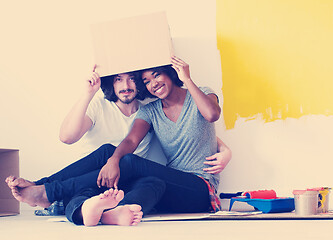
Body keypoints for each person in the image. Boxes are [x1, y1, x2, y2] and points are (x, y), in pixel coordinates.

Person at [5, 63, 231, 216]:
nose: (153, 83)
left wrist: (187, 79)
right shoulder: (150, 110)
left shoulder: (202, 93)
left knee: (129, 162)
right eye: (146, 80)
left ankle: (49, 193)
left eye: (156, 75)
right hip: (172, 183)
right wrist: (113, 160)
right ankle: (48, 188)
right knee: (112, 154)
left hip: (201, 188)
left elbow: (211, 115)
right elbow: (130, 142)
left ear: (170, 73)